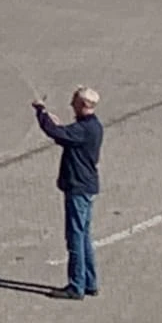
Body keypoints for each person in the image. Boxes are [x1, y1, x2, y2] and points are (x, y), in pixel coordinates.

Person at [34, 87, 104, 298]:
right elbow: (65, 135)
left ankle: (76, 286)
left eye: (74, 102)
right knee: (84, 237)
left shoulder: (83, 130)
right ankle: (89, 282)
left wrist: (41, 113)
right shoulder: (92, 126)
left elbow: (58, 134)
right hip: (86, 186)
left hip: (78, 187)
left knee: (74, 237)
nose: (71, 105)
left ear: (83, 105)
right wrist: (54, 123)